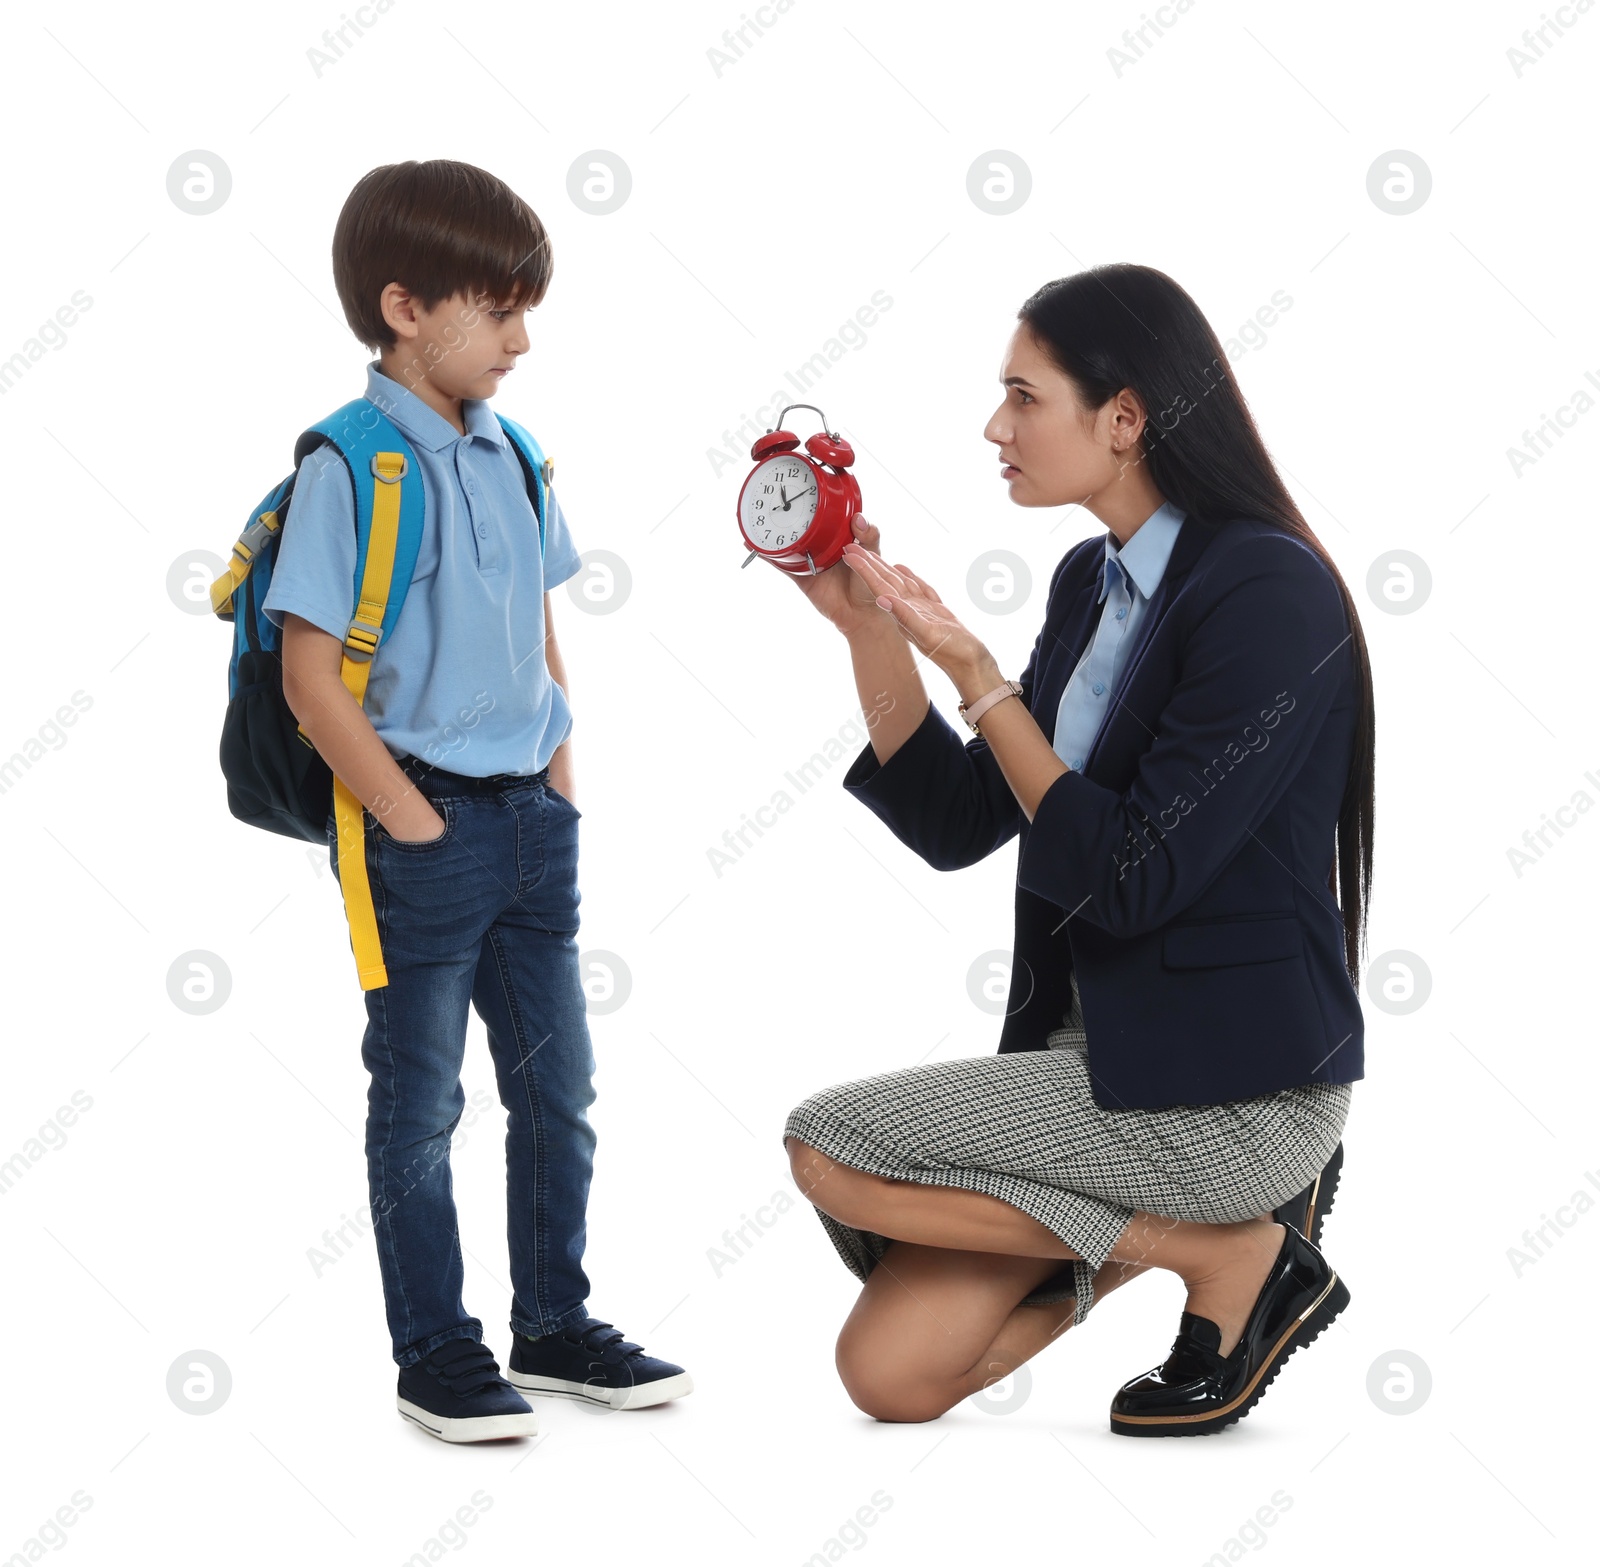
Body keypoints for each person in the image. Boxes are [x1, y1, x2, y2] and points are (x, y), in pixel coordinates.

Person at [780, 262, 1374, 1437]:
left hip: (1223, 1080)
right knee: (888, 1377)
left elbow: (1134, 874)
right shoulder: (1088, 584)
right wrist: (872, 636)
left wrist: (981, 680)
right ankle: (1231, 1250)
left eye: (1021, 396)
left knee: (829, 1147)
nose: (993, 427)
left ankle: (1231, 1254)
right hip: (1085, 1059)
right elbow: (961, 822)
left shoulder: (1266, 591)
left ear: (1123, 416)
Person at [264, 159, 691, 1443]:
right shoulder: (352, 466)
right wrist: (409, 818)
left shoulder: (514, 452)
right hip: (425, 829)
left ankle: (551, 1322)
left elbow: (538, 629)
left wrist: (560, 780)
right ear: (404, 307)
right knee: (422, 1103)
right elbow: (306, 679)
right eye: (496, 308)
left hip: (530, 824)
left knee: (556, 1089)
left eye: (524, 307)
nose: (520, 337)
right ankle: (434, 1351)